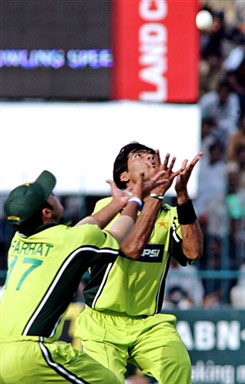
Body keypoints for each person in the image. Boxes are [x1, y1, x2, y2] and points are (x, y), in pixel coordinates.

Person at [0, 166, 172, 384]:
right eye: (50, 196)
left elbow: (82, 231)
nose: (54, 194)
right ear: (46, 213)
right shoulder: (70, 240)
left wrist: (117, 203)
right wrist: (134, 201)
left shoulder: (19, 240)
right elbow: (117, 235)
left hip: (2, 353)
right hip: (34, 351)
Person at [75, 142, 203, 384]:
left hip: (148, 323)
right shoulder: (110, 207)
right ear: (124, 176)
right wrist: (155, 194)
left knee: (179, 367)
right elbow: (131, 249)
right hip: (102, 323)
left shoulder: (169, 212)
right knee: (106, 381)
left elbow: (193, 252)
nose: (151, 159)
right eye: (140, 156)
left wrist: (183, 195)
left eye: (152, 155)